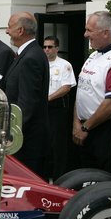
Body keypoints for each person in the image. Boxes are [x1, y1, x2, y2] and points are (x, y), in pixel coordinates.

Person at [73, 11, 111, 173]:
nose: (85, 34)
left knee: (105, 180)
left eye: (89, 30)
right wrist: (76, 123)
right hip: (85, 129)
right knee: (86, 178)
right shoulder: (94, 55)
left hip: (106, 131)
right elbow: (82, 90)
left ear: (105, 33)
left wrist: (85, 128)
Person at [3, 12, 49, 177]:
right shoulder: (27, 53)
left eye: (9, 26)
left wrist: (12, 136)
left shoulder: (31, 57)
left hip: (26, 142)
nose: (7, 31)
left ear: (20, 30)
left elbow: (27, 103)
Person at [43, 36, 76, 180]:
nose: (47, 50)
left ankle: (59, 178)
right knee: (44, 142)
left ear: (57, 48)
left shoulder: (64, 65)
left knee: (58, 145)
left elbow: (66, 87)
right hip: (42, 109)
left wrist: (48, 98)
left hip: (56, 108)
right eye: (44, 47)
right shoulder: (40, 63)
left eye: (50, 47)